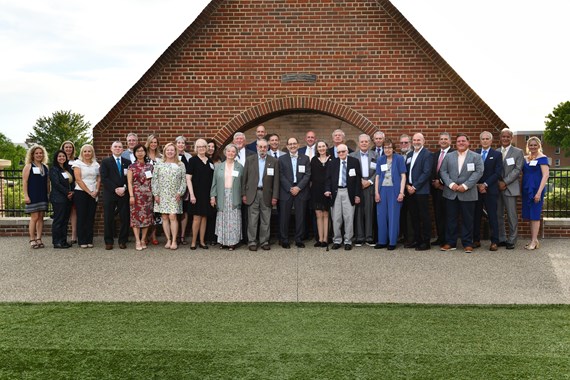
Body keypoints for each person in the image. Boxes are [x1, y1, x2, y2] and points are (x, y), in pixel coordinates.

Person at [439, 133, 484, 253]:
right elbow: (443, 171)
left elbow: (479, 172)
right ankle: (450, 242)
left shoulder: (476, 157)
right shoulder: (449, 156)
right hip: (451, 192)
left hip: (468, 193)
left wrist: (465, 185)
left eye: (463, 141)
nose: (461, 143)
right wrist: (451, 184)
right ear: (456, 143)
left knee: (468, 219)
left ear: (468, 142)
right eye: (459, 141)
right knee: (451, 219)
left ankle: (467, 243)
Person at [242, 139, 279, 251]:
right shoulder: (250, 160)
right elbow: (244, 178)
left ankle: (264, 241)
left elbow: (276, 181)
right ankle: (252, 241)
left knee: (266, 219)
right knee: (252, 219)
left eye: (264, 147)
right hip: (252, 193)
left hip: (267, 194)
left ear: (267, 148)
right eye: (260, 147)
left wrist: (275, 196)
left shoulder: (273, 161)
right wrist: (243, 194)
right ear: (257, 147)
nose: (262, 149)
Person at [325, 143, 362, 250]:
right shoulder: (333, 162)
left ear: (347, 151)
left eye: (343, 151)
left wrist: (357, 195)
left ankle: (348, 241)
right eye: (339, 152)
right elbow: (328, 178)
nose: (341, 153)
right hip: (336, 192)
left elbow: (357, 180)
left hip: (348, 192)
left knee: (349, 217)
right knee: (336, 218)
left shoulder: (354, 162)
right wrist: (327, 190)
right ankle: (337, 240)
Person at [153, 142, 187, 250]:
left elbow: (183, 180)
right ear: (164, 151)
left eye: (172, 150)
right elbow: (154, 180)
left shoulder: (180, 164)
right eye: (168, 150)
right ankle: (168, 239)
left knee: (173, 216)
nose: (170, 152)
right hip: (162, 194)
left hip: (175, 195)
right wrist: (156, 194)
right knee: (164, 217)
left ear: (175, 151)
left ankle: (174, 240)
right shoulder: (159, 164)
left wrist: (180, 192)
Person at [279, 137, 312, 248]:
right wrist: (290, 188)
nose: (292, 146)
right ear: (287, 146)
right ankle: (284, 239)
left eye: (294, 143)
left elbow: (307, 175)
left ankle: (299, 239)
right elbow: (281, 175)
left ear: (298, 145)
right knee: (284, 217)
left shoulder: (305, 158)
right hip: (286, 191)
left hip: (301, 191)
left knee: (300, 216)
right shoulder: (281, 159)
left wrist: (298, 187)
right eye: (290, 144)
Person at [473, 131, 503, 251]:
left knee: (492, 216)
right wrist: (477, 185)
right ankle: (476, 240)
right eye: (483, 139)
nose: (485, 141)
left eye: (487, 139)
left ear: (491, 141)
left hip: (490, 190)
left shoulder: (496, 155)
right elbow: (471, 170)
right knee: (476, 216)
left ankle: (494, 241)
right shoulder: (475, 154)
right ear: (480, 141)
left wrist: (485, 184)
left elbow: (497, 173)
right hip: (476, 189)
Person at [210, 144, 244, 250]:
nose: (231, 153)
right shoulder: (219, 166)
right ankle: (223, 241)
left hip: (234, 195)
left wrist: (243, 195)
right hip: (222, 195)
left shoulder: (240, 167)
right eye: (229, 151)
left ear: (236, 154)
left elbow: (243, 183)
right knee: (222, 218)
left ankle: (232, 242)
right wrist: (212, 196)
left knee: (234, 219)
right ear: (225, 152)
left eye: (233, 152)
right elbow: (214, 183)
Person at [374, 138, 406, 250]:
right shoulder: (380, 159)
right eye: (385, 147)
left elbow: (403, 176)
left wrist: (401, 192)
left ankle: (392, 242)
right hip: (382, 190)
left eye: (389, 147)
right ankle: (382, 241)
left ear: (393, 149)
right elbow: (377, 177)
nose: (387, 150)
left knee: (393, 216)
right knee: (381, 216)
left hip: (394, 190)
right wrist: (376, 193)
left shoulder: (399, 159)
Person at [100, 141, 131, 250]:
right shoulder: (105, 162)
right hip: (110, 193)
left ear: (123, 149)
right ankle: (108, 241)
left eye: (120, 147)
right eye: (115, 147)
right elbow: (104, 178)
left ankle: (123, 240)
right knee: (108, 217)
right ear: (111, 149)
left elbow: (130, 178)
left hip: (124, 193)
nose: (118, 148)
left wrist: (124, 188)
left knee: (124, 217)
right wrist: (115, 189)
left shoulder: (127, 162)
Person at [497, 128, 524, 249]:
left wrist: (505, 182)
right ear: (500, 138)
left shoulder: (518, 152)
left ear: (511, 138)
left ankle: (512, 239)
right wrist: (498, 182)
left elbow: (517, 170)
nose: (505, 138)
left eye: (508, 136)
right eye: (503, 136)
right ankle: (501, 238)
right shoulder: (496, 151)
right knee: (499, 215)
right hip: (497, 188)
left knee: (511, 215)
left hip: (510, 187)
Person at [405, 133, 433, 251]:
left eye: (418, 140)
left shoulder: (427, 154)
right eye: (414, 140)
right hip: (410, 190)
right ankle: (417, 240)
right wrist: (407, 185)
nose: (416, 142)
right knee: (414, 217)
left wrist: (414, 187)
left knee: (424, 216)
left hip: (421, 191)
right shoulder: (410, 154)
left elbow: (426, 173)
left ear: (423, 141)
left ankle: (426, 242)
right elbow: (405, 171)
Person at [521, 136, 549, 250]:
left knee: (535, 215)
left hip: (537, 189)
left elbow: (545, 175)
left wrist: (538, 192)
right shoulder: (525, 158)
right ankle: (534, 240)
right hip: (527, 189)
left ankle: (534, 241)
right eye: (530, 145)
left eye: (535, 145)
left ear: (539, 145)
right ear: (528, 146)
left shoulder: (542, 158)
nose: (533, 147)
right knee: (530, 215)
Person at [350, 134, 378, 246]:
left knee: (369, 211)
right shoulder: (352, 155)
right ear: (359, 143)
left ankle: (369, 237)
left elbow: (378, 171)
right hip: (358, 186)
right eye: (362, 142)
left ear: (369, 143)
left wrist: (370, 181)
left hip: (370, 186)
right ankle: (359, 237)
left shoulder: (375, 155)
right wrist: (359, 181)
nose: (364, 143)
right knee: (358, 212)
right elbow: (351, 171)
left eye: (366, 141)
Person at [187, 139, 215, 250]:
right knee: (197, 218)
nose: (201, 148)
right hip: (196, 193)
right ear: (196, 148)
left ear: (206, 148)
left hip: (207, 193)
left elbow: (213, 179)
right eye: (199, 147)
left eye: (203, 146)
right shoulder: (192, 160)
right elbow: (188, 179)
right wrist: (192, 195)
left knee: (204, 218)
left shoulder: (210, 161)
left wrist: (212, 195)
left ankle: (202, 241)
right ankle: (193, 242)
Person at [72, 144, 100, 249]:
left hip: (93, 193)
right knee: (82, 216)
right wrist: (89, 192)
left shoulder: (96, 164)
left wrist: (96, 190)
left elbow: (98, 178)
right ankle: (82, 240)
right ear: (81, 153)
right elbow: (78, 179)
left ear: (92, 153)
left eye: (89, 151)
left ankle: (89, 240)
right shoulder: (77, 163)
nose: (87, 153)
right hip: (81, 192)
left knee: (90, 217)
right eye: (85, 151)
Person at [127, 144, 154, 251]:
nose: (140, 153)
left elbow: (153, 181)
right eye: (138, 151)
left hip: (148, 196)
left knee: (147, 218)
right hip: (136, 196)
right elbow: (129, 182)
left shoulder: (150, 166)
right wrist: (131, 196)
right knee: (135, 219)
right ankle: (137, 240)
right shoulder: (131, 167)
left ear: (145, 152)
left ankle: (143, 239)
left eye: (142, 151)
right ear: (135, 153)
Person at [22, 145, 50, 249]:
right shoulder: (29, 166)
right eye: (37, 153)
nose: (39, 155)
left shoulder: (45, 167)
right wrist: (26, 195)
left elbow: (47, 182)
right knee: (34, 217)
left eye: (41, 153)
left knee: (41, 218)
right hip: (33, 195)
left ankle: (39, 238)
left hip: (43, 195)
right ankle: (32, 239)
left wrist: (48, 193)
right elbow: (24, 181)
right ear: (32, 155)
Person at [430, 132, 453, 246]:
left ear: (450, 141)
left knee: (449, 215)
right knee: (438, 214)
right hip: (436, 190)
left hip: (448, 189)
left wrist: (442, 182)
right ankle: (441, 238)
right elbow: (433, 170)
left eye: (445, 139)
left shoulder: (454, 154)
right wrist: (434, 182)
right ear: (439, 141)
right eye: (441, 139)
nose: (443, 141)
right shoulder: (435, 154)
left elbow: (454, 171)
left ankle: (449, 240)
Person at [49, 150, 74, 248]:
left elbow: (71, 182)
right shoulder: (54, 169)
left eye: (63, 156)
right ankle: (56, 242)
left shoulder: (67, 169)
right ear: (56, 158)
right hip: (58, 198)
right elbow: (56, 184)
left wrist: (72, 192)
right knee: (58, 220)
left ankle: (63, 241)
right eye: (59, 156)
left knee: (65, 221)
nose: (61, 158)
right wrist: (67, 192)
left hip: (68, 198)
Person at [310, 140, 333, 248]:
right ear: (317, 149)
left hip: (328, 190)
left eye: (323, 146)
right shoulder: (314, 160)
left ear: (326, 147)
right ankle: (320, 239)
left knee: (326, 215)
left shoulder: (332, 159)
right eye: (319, 147)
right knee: (318, 215)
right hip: (316, 190)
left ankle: (326, 239)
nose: (321, 148)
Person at [145, 134, 162, 246]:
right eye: (152, 142)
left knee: (156, 212)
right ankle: (145, 235)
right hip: (145, 187)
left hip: (158, 187)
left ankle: (153, 235)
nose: (153, 144)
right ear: (148, 143)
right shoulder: (143, 155)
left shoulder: (160, 157)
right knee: (146, 212)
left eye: (155, 142)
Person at [60, 140, 78, 244]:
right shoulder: (60, 160)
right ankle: (62, 235)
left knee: (74, 212)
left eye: (70, 147)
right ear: (62, 148)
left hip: (74, 189)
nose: (68, 149)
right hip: (63, 190)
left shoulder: (76, 160)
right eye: (66, 147)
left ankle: (74, 235)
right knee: (63, 212)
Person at [175, 135, 192, 245]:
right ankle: (175, 235)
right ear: (176, 144)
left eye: (182, 143)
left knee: (184, 212)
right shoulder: (171, 155)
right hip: (174, 188)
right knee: (175, 212)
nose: (181, 145)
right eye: (179, 143)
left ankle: (182, 236)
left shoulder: (189, 156)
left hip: (185, 188)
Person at [205, 139, 222, 245]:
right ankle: (203, 237)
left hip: (215, 190)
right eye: (209, 146)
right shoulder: (202, 159)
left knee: (213, 214)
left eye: (213, 147)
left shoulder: (218, 160)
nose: (211, 148)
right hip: (204, 190)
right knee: (203, 214)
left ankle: (213, 237)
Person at [398, 134, 413, 245]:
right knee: (402, 213)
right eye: (402, 143)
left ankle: (411, 238)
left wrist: (407, 185)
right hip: (399, 189)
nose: (404, 144)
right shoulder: (398, 156)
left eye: (406, 142)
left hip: (410, 189)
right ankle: (404, 235)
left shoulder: (413, 155)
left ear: (410, 143)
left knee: (410, 214)